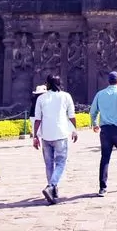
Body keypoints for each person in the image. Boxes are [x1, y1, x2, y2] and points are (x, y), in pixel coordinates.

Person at [31, 74, 77, 205]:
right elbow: (72, 116)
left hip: (46, 135)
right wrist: (74, 130)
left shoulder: (41, 98)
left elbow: (37, 119)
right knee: (61, 163)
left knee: (49, 163)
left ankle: (53, 189)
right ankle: (51, 186)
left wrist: (35, 136)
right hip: (61, 134)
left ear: (47, 84)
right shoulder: (66, 96)